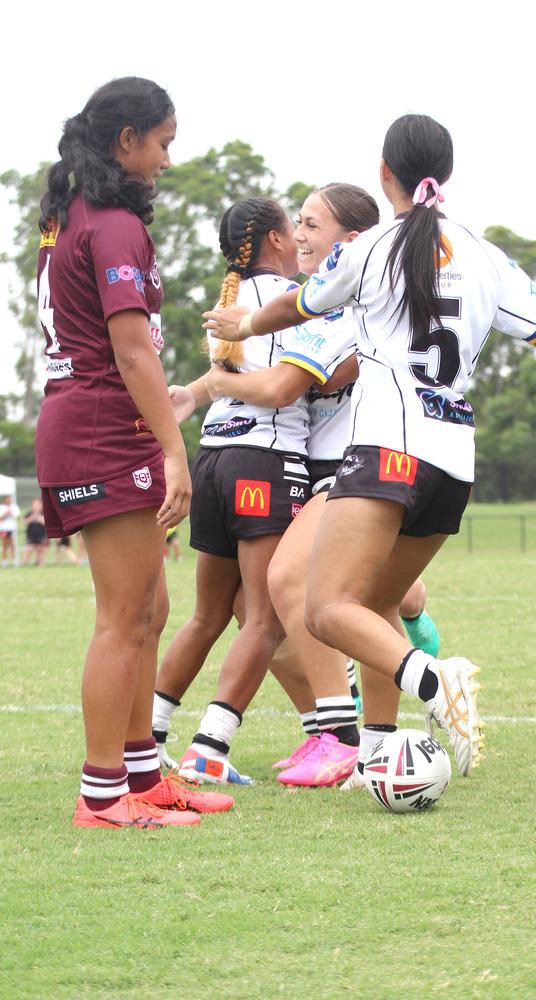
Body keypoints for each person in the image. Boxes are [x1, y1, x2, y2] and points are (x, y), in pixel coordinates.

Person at [205, 113, 536, 779]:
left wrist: (246, 320)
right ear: (444, 174)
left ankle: (435, 682)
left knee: (326, 608)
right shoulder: (486, 255)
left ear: (384, 172)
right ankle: (377, 753)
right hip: (454, 465)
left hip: (388, 452)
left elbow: (299, 306)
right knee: (373, 610)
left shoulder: (369, 248)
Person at [36, 76, 232, 828]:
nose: (167, 159)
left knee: (152, 604)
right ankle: (103, 796)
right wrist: (175, 451)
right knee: (124, 615)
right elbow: (131, 352)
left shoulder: (75, 215)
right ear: (128, 141)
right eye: (163, 142)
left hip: (97, 425)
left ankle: (144, 780)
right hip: (100, 430)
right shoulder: (111, 222)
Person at [152, 196, 338, 786]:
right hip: (264, 460)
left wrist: (202, 390)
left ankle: (148, 739)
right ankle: (209, 749)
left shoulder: (230, 300)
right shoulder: (284, 304)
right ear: (277, 241)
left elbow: (230, 381)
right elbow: (283, 388)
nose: (302, 238)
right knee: (266, 620)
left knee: (209, 614)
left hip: (213, 458)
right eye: (296, 226)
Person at [22, 499, 49, 566]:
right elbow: (24, 522)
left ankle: (40, 564)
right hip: (31, 535)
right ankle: (23, 564)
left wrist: (40, 518)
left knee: (40, 550)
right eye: (34, 504)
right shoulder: (29, 513)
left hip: (41, 535)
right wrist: (32, 518)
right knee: (28, 549)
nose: (36, 506)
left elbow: (47, 523)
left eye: (37, 505)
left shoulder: (43, 514)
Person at [0, 495, 20, 565]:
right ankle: (4, 561)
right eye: (7, 499)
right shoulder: (1, 507)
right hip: (4, 529)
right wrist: (5, 514)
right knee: (5, 545)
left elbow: (17, 517)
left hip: (12, 528)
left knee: (13, 545)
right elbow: (0, 519)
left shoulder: (14, 507)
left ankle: (13, 560)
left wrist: (11, 513)